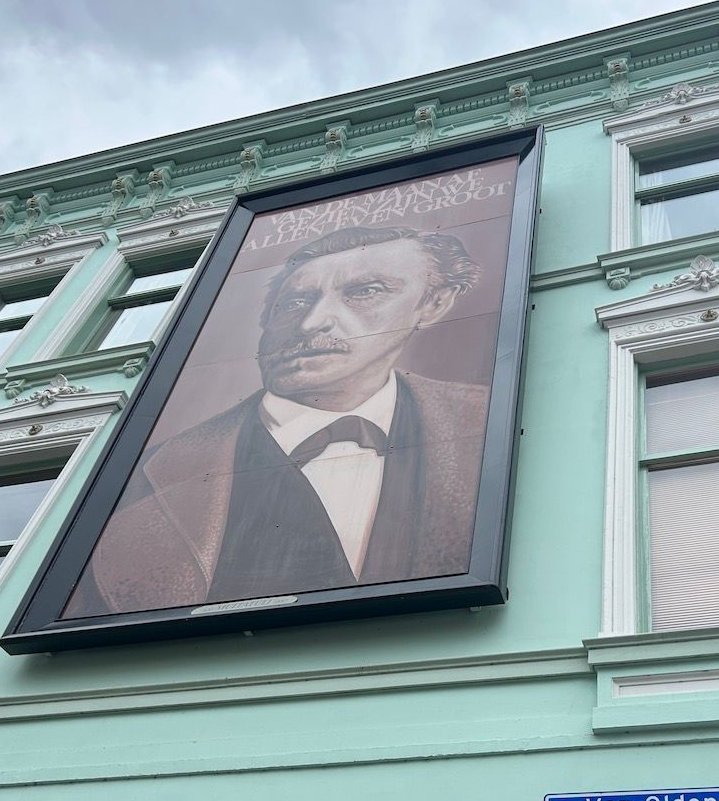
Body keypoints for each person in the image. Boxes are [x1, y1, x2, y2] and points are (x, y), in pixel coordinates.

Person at [66, 225, 490, 616]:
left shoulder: (484, 424)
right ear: (267, 320)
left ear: (434, 303)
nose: (311, 323)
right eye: (295, 303)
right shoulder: (143, 474)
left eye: (364, 292)